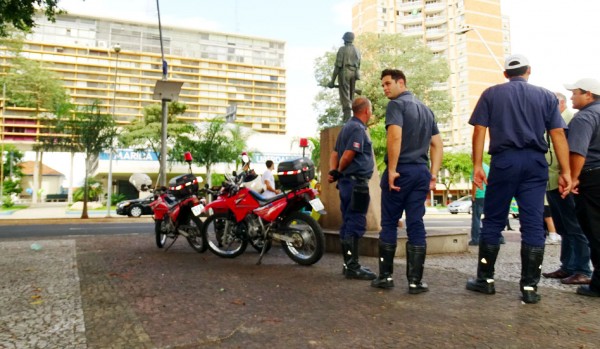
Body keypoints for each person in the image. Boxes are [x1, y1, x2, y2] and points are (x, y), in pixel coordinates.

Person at [466, 54, 571, 304]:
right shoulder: (546, 96)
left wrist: (478, 165)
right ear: (529, 71)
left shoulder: (491, 94)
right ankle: (530, 288)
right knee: (533, 223)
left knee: (492, 221)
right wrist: (566, 171)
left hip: (504, 161)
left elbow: (479, 130)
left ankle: (485, 280)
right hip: (535, 163)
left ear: (505, 74)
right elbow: (557, 133)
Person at [370, 69, 443, 294]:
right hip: (421, 172)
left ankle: (386, 277)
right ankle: (415, 281)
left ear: (401, 83)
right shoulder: (426, 109)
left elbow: (395, 135)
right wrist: (433, 173)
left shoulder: (396, 106)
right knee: (416, 223)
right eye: (383, 85)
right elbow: (437, 145)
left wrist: (391, 169)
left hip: (401, 171)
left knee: (390, 223)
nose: (385, 88)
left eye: (388, 83)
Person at [542, 91, 592, 285]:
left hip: (564, 181)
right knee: (564, 227)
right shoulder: (554, 123)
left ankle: (582, 269)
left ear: (558, 104)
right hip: (552, 181)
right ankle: (568, 267)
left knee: (575, 227)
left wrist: (571, 177)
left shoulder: (572, 121)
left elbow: (577, 152)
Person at [328, 96, 376, 280]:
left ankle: (348, 264)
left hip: (348, 183)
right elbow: (348, 154)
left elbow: (335, 153)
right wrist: (339, 171)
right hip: (356, 183)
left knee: (348, 221)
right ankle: (352, 266)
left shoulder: (346, 127)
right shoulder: (357, 128)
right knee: (355, 222)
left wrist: (334, 171)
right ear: (367, 111)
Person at [564, 78, 600, 297]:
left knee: (595, 232)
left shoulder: (585, 116)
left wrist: (573, 178)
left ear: (588, 94)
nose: (571, 97)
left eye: (575, 93)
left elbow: (578, 151)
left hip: (592, 178)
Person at [328, 32, 361, 122]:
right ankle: (352, 117)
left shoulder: (342, 50)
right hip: (354, 73)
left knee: (345, 96)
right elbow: (359, 65)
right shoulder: (357, 50)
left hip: (345, 72)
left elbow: (337, 66)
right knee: (351, 95)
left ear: (345, 40)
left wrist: (332, 81)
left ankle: (347, 117)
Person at [470, 163, 490, 246]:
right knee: (489, 218)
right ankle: (495, 238)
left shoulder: (476, 168)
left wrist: (473, 196)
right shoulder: (488, 167)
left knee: (476, 218)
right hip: (488, 196)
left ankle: (475, 239)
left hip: (479, 196)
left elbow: (475, 184)